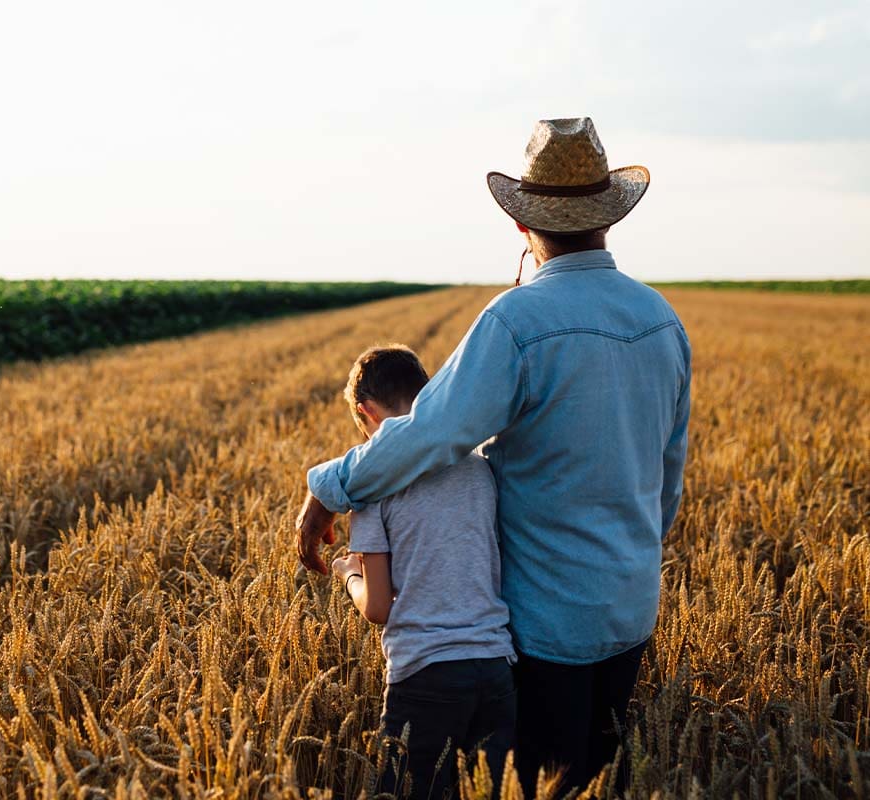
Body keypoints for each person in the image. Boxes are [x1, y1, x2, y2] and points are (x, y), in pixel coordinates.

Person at [295, 117, 691, 795]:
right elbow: (667, 485)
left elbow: (429, 435)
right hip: (629, 613)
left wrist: (330, 487)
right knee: (593, 781)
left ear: (521, 224)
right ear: (608, 218)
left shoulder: (518, 322)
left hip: (541, 628)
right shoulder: (662, 321)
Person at [328, 344, 516, 800]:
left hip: (425, 675)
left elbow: (376, 608)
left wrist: (348, 573)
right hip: (496, 667)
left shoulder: (373, 486)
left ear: (364, 411)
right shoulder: (478, 468)